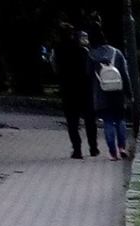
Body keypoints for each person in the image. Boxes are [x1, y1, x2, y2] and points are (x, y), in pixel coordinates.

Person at [86, 23, 131, 160]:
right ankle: (122, 147)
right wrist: (129, 93)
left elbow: (88, 74)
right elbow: (125, 74)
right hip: (117, 91)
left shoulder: (91, 55)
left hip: (101, 94)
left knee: (108, 122)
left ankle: (112, 152)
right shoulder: (116, 53)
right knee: (120, 120)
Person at [56, 24, 98, 158]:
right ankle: (93, 148)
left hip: (68, 89)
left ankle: (77, 149)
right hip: (85, 88)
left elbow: (57, 70)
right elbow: (90, 69)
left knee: (72, 122)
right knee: (90, 120)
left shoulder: (59, 51)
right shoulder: (83, 50)